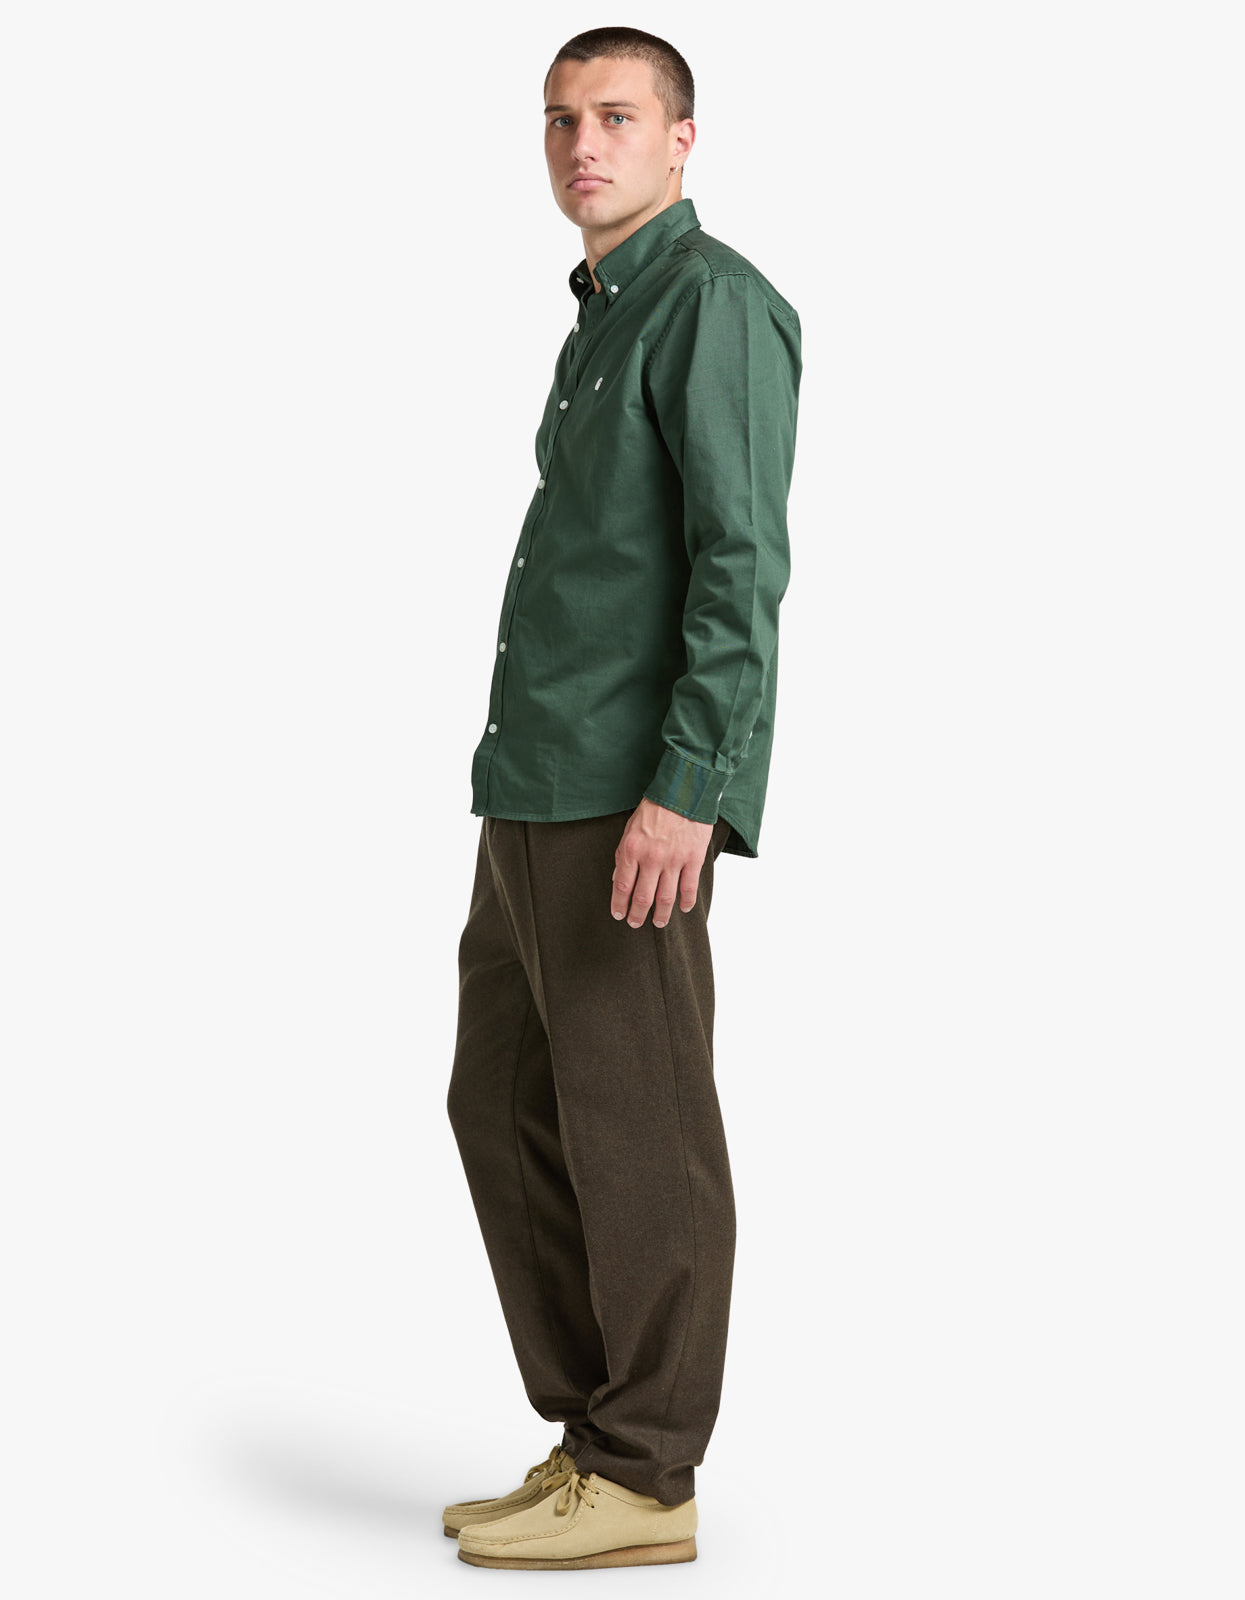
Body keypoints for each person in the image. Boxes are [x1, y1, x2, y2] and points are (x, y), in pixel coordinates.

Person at [444, 25, 802, 1571]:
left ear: (680, 138)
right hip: (531, 780)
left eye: (614, 116)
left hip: (625, 795)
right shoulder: (604, 313)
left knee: (636, 1126)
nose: (581, 145)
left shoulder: (715, 303)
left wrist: (689, 790)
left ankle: (649, 1473)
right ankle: (593, 1436)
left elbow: (739, 565)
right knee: (501, 1101)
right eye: (559, 119)